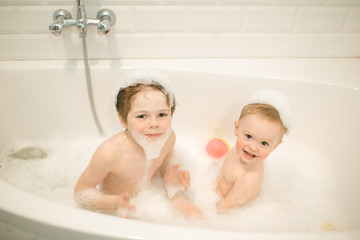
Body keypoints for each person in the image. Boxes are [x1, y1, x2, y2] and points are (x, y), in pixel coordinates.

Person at [74, 69, 203, 219]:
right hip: (115, 211)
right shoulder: (110, 154)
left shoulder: (168, 138)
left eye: (162, 114)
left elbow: (167, 159)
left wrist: (172, 180)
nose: (154, 124)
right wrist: (113, 202)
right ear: (122, 120)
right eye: (142, 116)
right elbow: (81, 191)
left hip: (148, 199)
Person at [216, 90, 291, 213]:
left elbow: (225, 206)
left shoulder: (249, 179)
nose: (253, 147)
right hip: (215, 193)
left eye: (264, 143)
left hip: (234, 211)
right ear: (236, 129)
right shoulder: (238, 150)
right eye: (249, 137)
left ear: (275, 146)